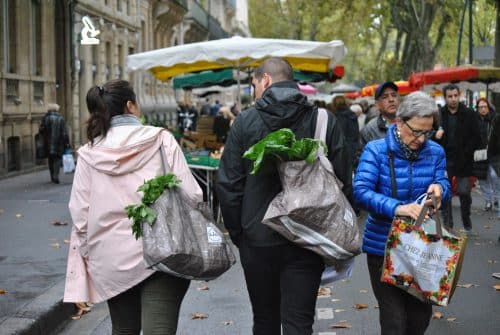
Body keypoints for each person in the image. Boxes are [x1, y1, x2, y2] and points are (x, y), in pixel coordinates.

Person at [216, 57, 352, 335]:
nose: (254, 91)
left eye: (254, 84)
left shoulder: (245, 122)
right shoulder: (324, 120)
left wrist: (241, 234)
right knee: (299, 324)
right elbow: (343, 180)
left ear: (265, 80)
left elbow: (228, 184)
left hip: (258, 237)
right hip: (308, 238)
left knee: (265, 321)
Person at [63, 79, 203, 334]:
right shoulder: (161, 139)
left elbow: (80, 214)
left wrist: (90, 253)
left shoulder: (88, 153)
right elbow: (193, 194)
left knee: (123, 329)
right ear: (131, 106)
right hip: (163, 252)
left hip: (112, 258)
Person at [354, 91, 451, 335]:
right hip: (383, 247)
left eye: (427, 132)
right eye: (416, 131)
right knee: (394, 320)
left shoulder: (435, 152)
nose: (421, 139)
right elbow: (361, 191)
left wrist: (440, 190)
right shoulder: (375, 150)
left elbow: (443, 182)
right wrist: (398, 208)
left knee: (419, 319)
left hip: (422, 248)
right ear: (399, 121)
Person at [434, 84, 480, 231]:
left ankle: (466, 221)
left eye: (455, 96)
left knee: (464, 192)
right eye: (450, 96)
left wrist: (468, 152)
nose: (453, 99)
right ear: (445, 97)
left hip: (464, 160)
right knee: (445, 193)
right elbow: (431, 135)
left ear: (459, 95)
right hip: (445, 159)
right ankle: (448, 225)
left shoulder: (469, 114)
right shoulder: (439, 115)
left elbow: (476, 137)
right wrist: (436, 136)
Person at [360, 82, 400, 149]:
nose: (391, 99)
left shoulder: (410, 123)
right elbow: (361, 157)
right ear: (377, 104)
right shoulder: (369, 130)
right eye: (385, 97)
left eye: (394, 95)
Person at [473, 98, 495, 211]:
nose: (482, 109)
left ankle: (496, 198)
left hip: (493, 153)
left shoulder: (494, 119)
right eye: (480, 107)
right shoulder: (473, 121)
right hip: (479, 154)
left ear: (488, 107)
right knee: (482, 179)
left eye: (484, 107)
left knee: (494, 176)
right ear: (477, 109)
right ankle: (488, 201)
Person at [39, 103, 69, 184]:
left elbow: (41, 130)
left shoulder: (45, 118)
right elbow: (64, 132)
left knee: (50, 159)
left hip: (48, 143)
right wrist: (67, 142)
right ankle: (56, 175)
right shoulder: (61, 118)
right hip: (59, 142)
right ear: (56, 109)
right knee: (57, 158)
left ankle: (52, 176)